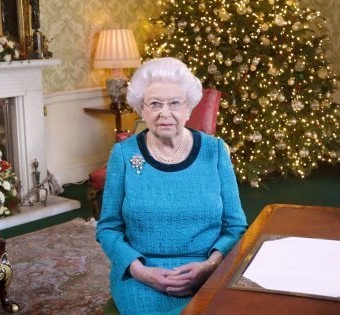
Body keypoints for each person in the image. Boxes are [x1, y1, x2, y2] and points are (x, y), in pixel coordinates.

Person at [96, 57, 248, 314]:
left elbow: (236, 226)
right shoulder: (123, 154)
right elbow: (108, 227)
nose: (164, 113)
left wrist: (210, 266)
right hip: (143, 274)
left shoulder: (215, 151)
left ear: (189, 108)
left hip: (208, 268)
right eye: (154, 104)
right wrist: (140, 271)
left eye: (174, 103)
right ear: (142, 109)